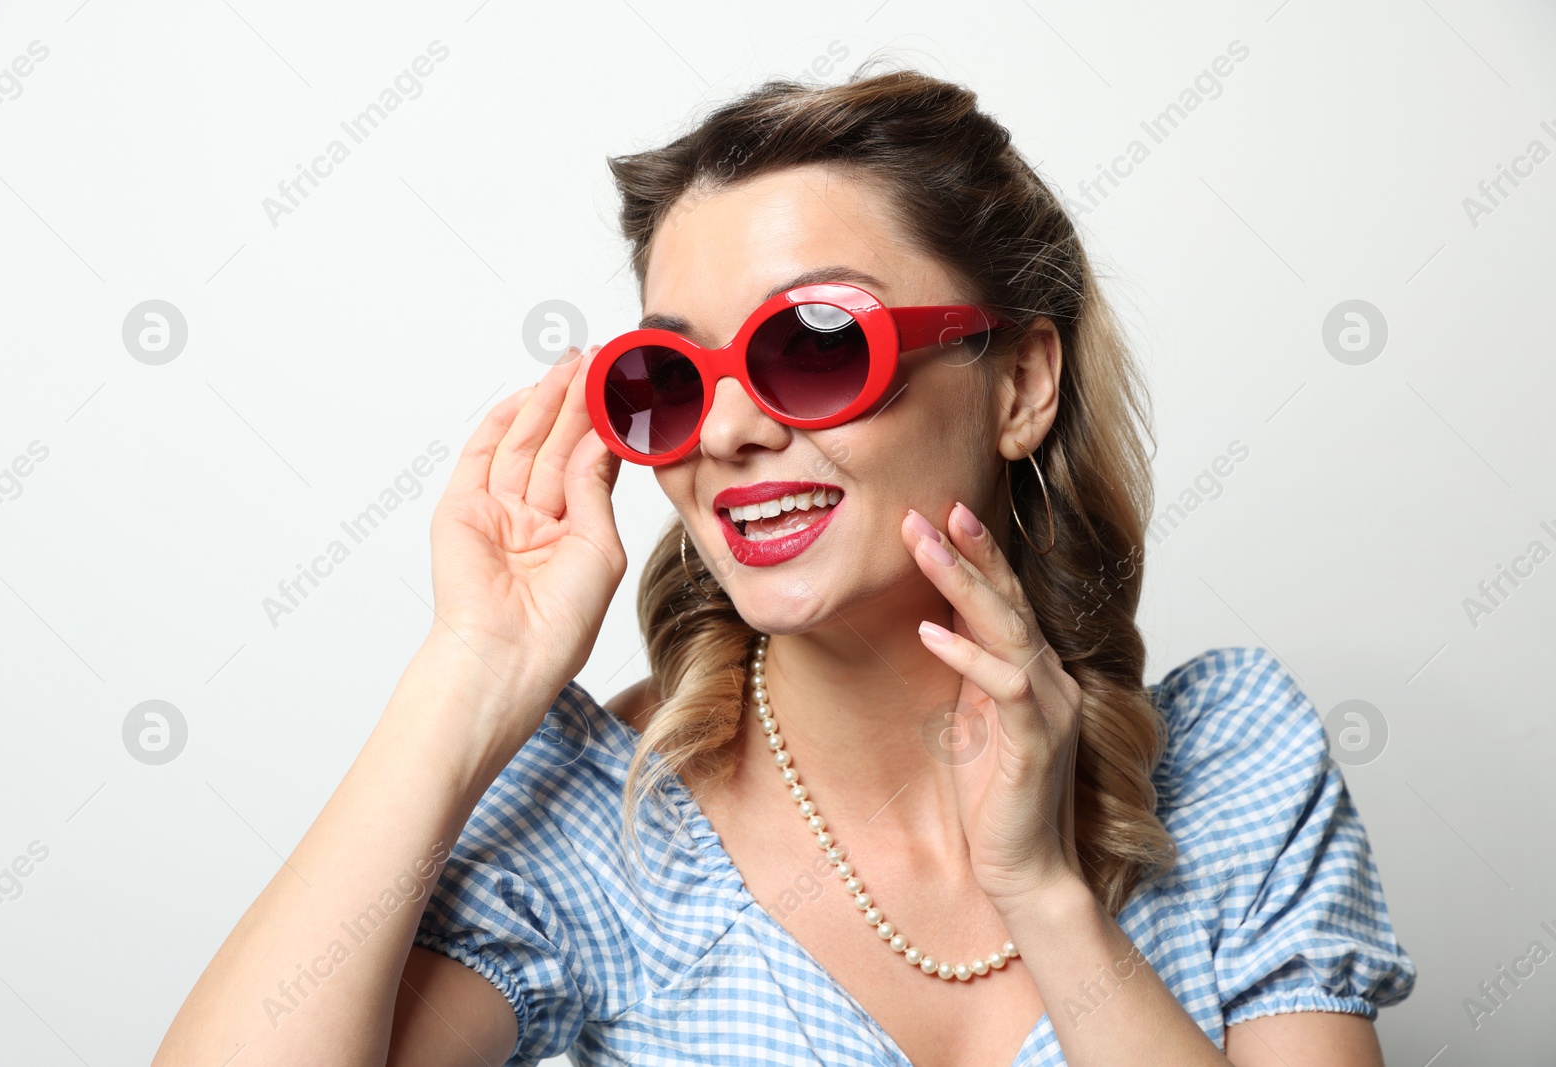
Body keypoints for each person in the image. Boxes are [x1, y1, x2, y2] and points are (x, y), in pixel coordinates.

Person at [152, 65, 1415, 1067]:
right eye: (669, 380)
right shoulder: (610, 829)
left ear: (1020, 383)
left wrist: (1041, 890)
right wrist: (470, 671)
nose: (734, 427)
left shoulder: (1234, 762)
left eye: (814, 346)